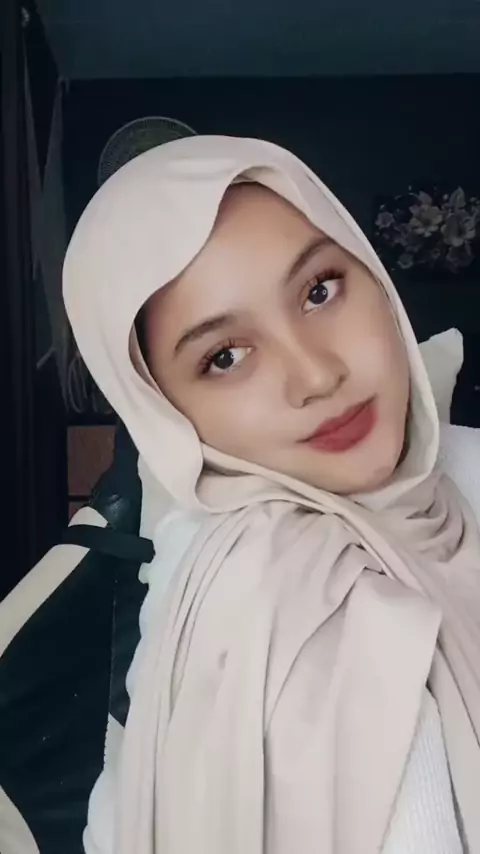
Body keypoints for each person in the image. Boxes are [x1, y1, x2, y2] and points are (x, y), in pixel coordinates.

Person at [63, 136, 480, 854]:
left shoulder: (456, 470)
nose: (317, 376)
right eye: (224, 357)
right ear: (164, 413)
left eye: (319, 291)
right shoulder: (271, 600)